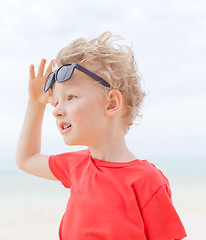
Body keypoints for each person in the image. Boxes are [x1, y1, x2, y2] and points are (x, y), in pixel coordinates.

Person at [15, 32, 186, 240]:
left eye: (70, 97)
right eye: (56, 101)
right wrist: (35, 104)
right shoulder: (76, 166)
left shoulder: (147, 181)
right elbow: (27, 159)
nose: (57, 110)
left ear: (111, 103)